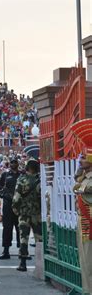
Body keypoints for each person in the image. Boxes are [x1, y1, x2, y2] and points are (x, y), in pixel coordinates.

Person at [71, 119, 92, 294]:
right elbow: (76, 180)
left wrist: (80, 186)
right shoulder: (84, 175)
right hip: (83, 219)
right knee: (84, 259)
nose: (81, 159)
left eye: (84, 157)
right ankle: (87, 289)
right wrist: (80, 168)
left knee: (89, 259)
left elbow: (83, 188)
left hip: (89, 222)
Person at [12, 158, 42, 272]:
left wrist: (15, 209)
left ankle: (23, 263)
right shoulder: (40, 180)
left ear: (28, 167)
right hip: (37, 213)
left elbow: (17, 197)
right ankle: (41, 264)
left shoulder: (22, 180)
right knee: (39, 238)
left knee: (24, 238)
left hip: (24, 213)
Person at [0, 158, 21, 259]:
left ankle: (23, 250)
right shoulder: (5, 175)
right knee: (7, 228)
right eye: (12, 162)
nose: (13, 164)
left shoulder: (22, 175)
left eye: (15, 162)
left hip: (19, 204)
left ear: (18, 164)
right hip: (8, 204)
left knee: (21, 228)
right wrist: (3, 195)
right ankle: (6, 250)